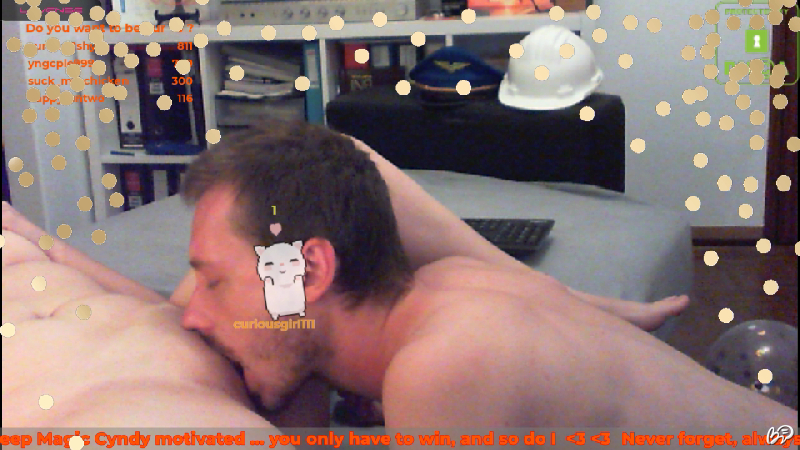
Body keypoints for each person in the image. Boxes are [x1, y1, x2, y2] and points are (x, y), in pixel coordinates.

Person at [172, 119, 795, 428]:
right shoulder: (452, 282)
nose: (192, 316)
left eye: (214, 282)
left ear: (310, 271)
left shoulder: (441, 370)